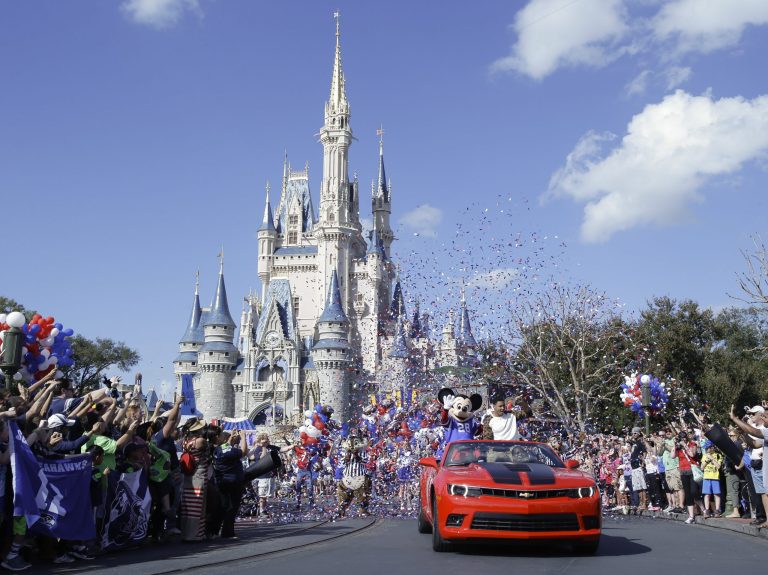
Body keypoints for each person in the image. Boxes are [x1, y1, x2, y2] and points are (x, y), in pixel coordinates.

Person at [730, 404, 768, 526]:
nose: (751, 416)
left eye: (765, 416)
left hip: (762, 464)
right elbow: (755, 444)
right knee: (762, 492)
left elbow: (755, 433)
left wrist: (735, 419)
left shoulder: (764, 429)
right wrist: (743, 433)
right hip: (755, 464)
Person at [212, 430, 247, 539]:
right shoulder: (228, 451)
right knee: (231, 507)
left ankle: (213, 531)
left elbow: (227, 447)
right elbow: (244, 451)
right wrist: (244, 437)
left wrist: (231, 438)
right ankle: (227, 532)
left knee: (222, 506)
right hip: (232, 482)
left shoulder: (217, 449)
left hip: (222, 482)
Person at [700, 441, 723, 517]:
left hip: (715, 477)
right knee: (707, 494)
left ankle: (717, 510)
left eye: (708, 448)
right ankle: (707, 510)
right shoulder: (704, 456)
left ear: (712, 448)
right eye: (706, 448)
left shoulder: (718, 455)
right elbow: (702, 468)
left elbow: (718, 466)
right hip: (706, 477)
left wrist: (712, 458)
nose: (707, 450)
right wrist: (707, 460)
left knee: (716, 494)